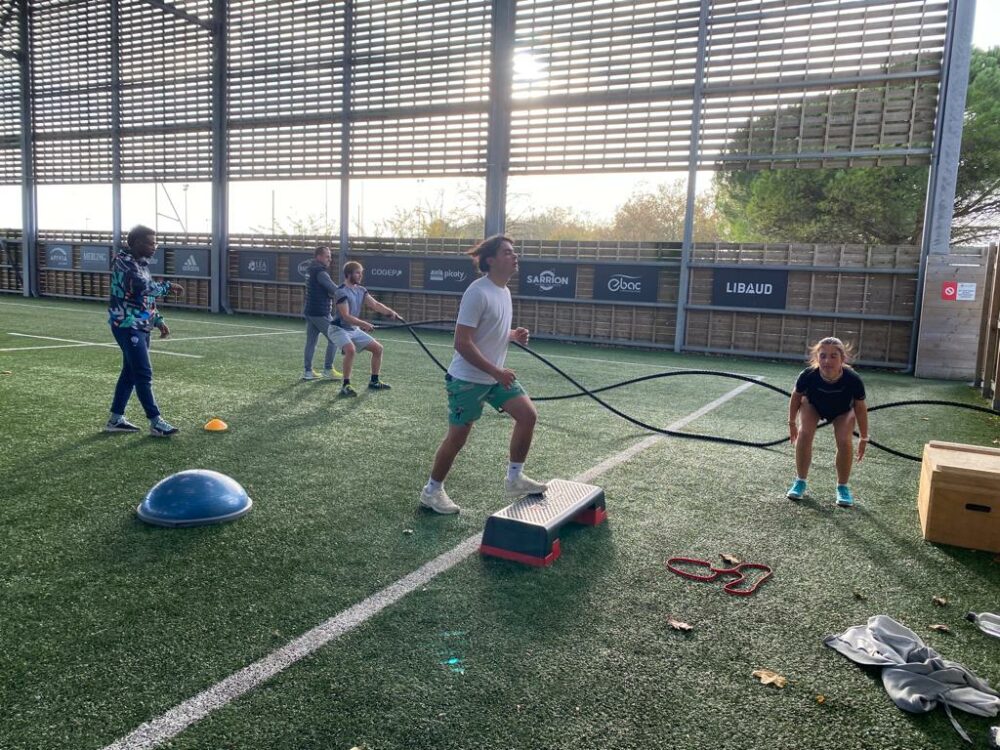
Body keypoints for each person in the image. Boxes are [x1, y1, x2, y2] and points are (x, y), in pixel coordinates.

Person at [419, 235, 549, 515]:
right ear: (490, 260)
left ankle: (515, 478)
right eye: (507, 252)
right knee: (457, 439)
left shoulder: (503, 292)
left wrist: (513, 335)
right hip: (467, 380)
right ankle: (432, 491)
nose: (515, 256)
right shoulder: (477, 292)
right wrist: (497, 371)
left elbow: (490, 332)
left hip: (493, 378)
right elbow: (462, 342)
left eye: (514, 252)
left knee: (528, 415)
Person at [105, 225, 185, 436]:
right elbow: (143, 287)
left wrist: (157, 320)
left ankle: (115, 419)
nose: (154, 247)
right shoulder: (125, 263)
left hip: (141, 324)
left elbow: (145, 298)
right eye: (150, 243)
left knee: (130, 373)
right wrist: (168, 286)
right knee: (143, 372)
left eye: (155, 243)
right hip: (126, 324)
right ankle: (155, 422)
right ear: (136, 243)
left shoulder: (141, 264)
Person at [786, 336, 869, 507]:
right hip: (814, 405)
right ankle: (800, 481)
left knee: (845, 441)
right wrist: (792, 423)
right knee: (804, 434)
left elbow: (860, 408)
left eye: (833, 356)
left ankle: (842, 487)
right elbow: (796, 397)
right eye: (823, 356)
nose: (827, 360)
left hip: (843, 411)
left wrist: (863, 437)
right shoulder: (808, 375)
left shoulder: (853, 379)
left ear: (842, 359)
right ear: (817, 358)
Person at [329, 260, 401, 397]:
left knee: (378, 349)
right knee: (350, 350)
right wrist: (364, 324)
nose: (360, 276)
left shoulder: (361, 290)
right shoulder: (341, 292)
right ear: (348, 274)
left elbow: (375, 304)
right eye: (357, 273)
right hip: (338, 329)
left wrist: (390, 312)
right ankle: (346, 385)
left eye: (361, 273)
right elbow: (345, 316)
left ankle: (374, 381)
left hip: (353, 329)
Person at [301, 245, 343, 381]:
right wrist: (347, 292)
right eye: (327, 256)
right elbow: (334, 289)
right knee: (335, 338)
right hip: (320, 312)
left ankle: (308, 372)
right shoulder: (321, 272)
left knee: (311, 342)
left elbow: (324, 289)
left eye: (330, 257)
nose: (330, 259)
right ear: (319, 257)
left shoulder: (311, 270)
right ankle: (328, 369)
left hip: (310, 311)